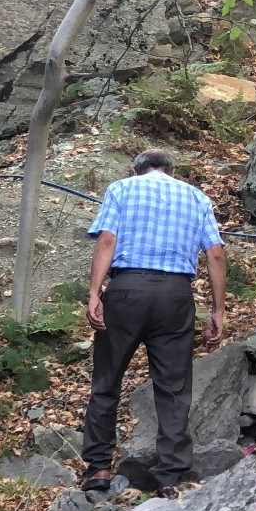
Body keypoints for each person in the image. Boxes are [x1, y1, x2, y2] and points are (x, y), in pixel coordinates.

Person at [80, 149, 227, 493]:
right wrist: (218, 310)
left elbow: (107, 239)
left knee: (107, 380)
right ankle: (171, 473)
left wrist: (94, 293)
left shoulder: (122, 189)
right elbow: (216, 254)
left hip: (127, 289)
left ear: (137, 169)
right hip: (176, 296)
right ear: (171, 171)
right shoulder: (196, 197)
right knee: (173, 387)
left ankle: (99, 469)